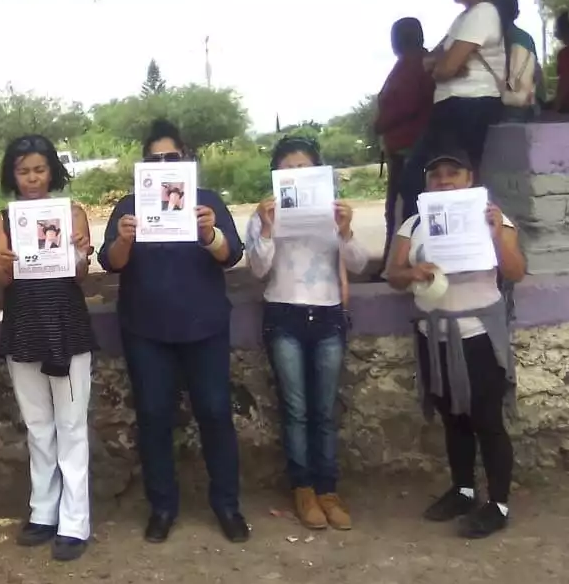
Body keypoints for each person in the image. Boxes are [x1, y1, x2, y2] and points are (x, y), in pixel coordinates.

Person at [98, 119, 249, 544]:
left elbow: (231, 254)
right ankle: (162, 506)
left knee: (217, 414)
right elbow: (111, 263)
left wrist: (209, 233)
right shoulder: (128, 207)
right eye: (155, 158)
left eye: (172, 157)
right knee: (153, 417)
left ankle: (227, 504)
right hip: (146, 330)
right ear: (144, 164)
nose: (164, 164)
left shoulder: (207, 202)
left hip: (205, 327)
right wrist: (124, 239)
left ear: (185, 159)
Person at [385, 132, 526, 539]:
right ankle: (463, 490)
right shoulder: (414, 224)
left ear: (470, 178)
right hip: (436, 337)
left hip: (478, 334)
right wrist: (410, 273)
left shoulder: (494, 218)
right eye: (436, 175)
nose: (444, 181)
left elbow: (515, 271)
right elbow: (393, 275)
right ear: (427, 183)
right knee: (453, 419)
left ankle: (497, 503)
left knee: (486, 419)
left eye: (453, 173)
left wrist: (498, 233)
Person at [248, 137, 368, 531]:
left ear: (318, 173)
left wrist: (346, 231)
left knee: (324, 409)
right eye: (288, 169)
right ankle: (303, 488)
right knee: (296, 409)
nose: (297, 175)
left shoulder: (333, 214)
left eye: (304, 168)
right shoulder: (265, 214)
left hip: (329, 313)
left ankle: (328, 489)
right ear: (277, 175)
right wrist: (266, 230)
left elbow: (359, 262)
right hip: (284, 314)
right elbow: (258, 269)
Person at [0, 135, 97, 561]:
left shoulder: (71, 213)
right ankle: (43, 511)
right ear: (11, 174)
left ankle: (75, 520)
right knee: (38, 426)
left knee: (71, 426)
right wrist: (5, 264)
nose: (32, 178)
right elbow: (1, 280)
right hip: (24, 326)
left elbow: (81, 275)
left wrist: (82, 254)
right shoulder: (1, 220)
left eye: (39, 169)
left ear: (52, 170)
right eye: (23, 170)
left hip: (66, 325)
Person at [399, 0, 507, 223]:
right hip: (454, 105)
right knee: (426, 177)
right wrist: (448, 65)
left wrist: (445, 66)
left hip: (469, 105)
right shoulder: (464, 17)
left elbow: (444, 66)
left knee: (429, 178)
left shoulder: (482, 13)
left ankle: (430, 239)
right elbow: (431, 62)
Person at [374, 17, 435, 271]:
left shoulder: (415, 64)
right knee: (399, 210)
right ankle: (393, 264)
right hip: (403, 149)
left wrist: (380, 124)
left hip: (411, 150)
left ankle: (397, 266)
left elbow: (406, 105)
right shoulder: (413, 63)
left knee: (403, 211)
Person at [492, 0, 540, 123]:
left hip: (513, 112)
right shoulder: (522, 38)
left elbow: (519, 96)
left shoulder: (515, 39)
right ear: (517, 13)